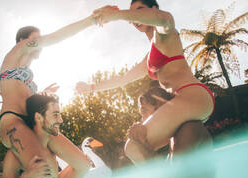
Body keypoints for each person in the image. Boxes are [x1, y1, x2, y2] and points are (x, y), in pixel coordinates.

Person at [76, 0, 215, 163]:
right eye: (133, 13)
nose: (136, 17)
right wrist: (91, 88)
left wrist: (117, 14)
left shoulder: (165, 32)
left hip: (191, 96)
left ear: (153, 9)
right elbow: (123, 79)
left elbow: (163, 19)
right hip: (184, 104)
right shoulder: (150, 56)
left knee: (133, 146)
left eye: (140, 10)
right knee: (174, 161)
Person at [0, 14, 98, 178]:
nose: (41, 44)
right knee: (42, 171)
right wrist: (90, 21)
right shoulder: (12, 58)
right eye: (36, 39)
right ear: (22, 41)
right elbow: (55, 38)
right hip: (14, 122)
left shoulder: (30, 78)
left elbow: (28, 101)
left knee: (82, 165)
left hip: (35, 124)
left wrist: (40, 93)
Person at [0, 94, 93, 178]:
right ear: (39, 117)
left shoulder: (51, 149)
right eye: (56, 115)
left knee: (85, 164)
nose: (61, 120)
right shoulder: (14, 155)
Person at [128, 85, 212, 161]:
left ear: (161, 110)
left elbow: (175, 176)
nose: (143, 120)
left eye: (144, 110)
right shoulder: (175, 136)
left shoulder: (189, 128)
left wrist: (143, 142)